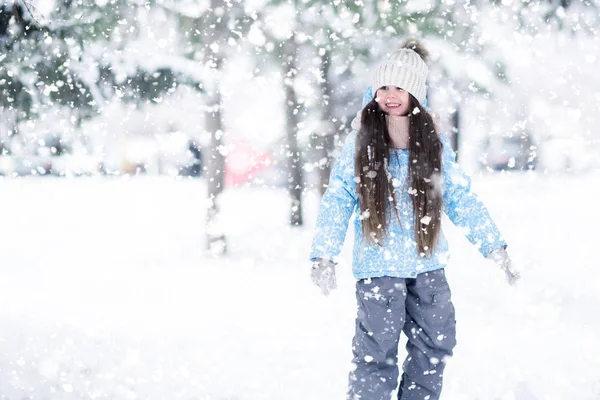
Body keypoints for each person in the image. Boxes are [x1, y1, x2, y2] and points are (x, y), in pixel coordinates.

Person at [309, 39, 521, 400]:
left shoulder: (433, 142)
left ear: (416, 94)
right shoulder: (362, 141)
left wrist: (493, 245)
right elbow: (339, 197)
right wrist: (324, 254)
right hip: (379, 267)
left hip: (428, 266)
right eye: (384, 87)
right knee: (375, 355)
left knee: (436, 345)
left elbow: (457, 196)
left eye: (400, 87)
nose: (390, 95)